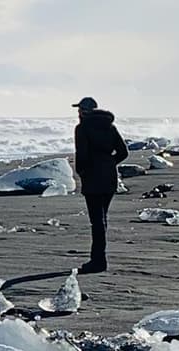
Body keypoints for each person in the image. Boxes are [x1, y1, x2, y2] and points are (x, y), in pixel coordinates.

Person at [71, 96, 128, 274]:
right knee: (102, 219)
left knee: (97, 221)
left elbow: (82, 154)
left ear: (85, 112)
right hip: (109, 176)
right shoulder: (110, 127)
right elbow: (123, 152)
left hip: (93, 177)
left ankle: (98, 261)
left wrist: (82, 172)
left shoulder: (82, 128)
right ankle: (98, 258)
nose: (78, 113)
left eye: (80, 110)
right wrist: (110, 163)